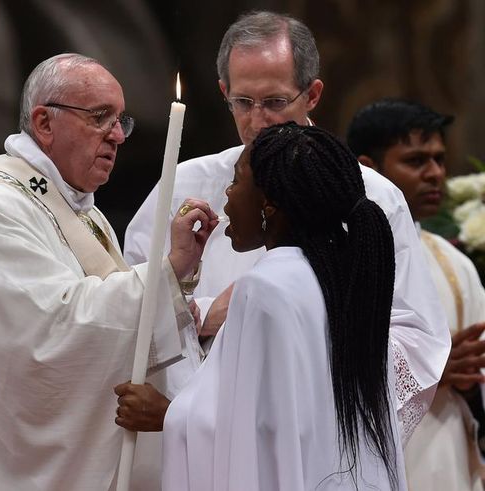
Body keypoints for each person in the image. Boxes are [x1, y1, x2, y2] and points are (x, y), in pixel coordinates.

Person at [0, 53, 215, 491]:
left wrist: (173, 294)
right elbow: (53, 333)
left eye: (122, 120)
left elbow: (102, 317)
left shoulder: (83, 212)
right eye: (100, 117)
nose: (117, 135)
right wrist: (166, 276)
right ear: (44, 123)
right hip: (0, 459)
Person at [119, 10, 450, 444]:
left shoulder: (371, 196)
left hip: (314, 441)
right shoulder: (182, 184)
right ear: (224, 92)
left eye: (275, 102)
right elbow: (129, 306)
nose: (258, 121)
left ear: (312, 95)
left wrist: (295, 334)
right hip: (191, 447)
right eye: (242, 102)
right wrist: (195, 313)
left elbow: (416, 335)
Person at [164, 121, 405, 489]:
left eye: (236, 181)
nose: (226, 196)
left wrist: (166, 412)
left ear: (269, 204)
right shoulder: (340, 273)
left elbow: (255, 433)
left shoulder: (267, 286)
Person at [348, 98, 485, 490]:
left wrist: (469, 376)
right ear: (368, 169)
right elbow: (326, 364)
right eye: (416, 161)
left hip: (451, 456)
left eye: (439, 160)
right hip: (379, 461)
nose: (436, 174)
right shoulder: (340, 257)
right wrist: (428, 372)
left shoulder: (454, 263)